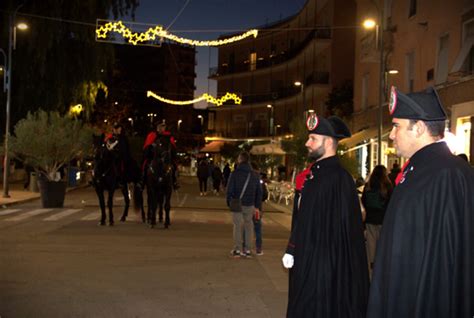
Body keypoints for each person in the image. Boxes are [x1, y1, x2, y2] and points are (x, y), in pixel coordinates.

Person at [367, 86, 474, 318]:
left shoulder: (446, 173)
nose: (392, 135)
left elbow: (444, 258)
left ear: (420, 128)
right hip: (403, 292)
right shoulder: (419, 169)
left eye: (397, 126)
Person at [282, 114, 369, 318]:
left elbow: (346, 235)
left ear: (329, 142)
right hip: (307, 262)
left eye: (313, 139)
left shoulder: (339, 179)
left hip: (324, 270)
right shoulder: (314, 175)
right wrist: (292, 248)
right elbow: (303, 219)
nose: (307, 143)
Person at [226, 152, 262, 258]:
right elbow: (259, 192)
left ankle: (237, 249)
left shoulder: (235, 173)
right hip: (250, 203)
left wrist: (229, 201)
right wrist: (257, 206)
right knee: (249, 226)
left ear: (240, 160)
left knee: (237, 226)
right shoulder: (254, 175)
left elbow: (230, 189)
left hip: (237, 203)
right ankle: (247, 250)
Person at [361, 165, 392, 273]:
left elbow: (364, 200)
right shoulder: (387, 186)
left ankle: (371, 268)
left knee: (371, 246)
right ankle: (381, 268)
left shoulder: (368, 186)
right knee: (382, 245)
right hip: (383, 220)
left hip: (370, 220)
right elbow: (391, 202)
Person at [142, 121, 179, 189]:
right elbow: (146, 147)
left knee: (173, 166)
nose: (162, 128)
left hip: (166, 158)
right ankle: (142, 181)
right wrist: (150, 148)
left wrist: (172, 153)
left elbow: (173, 148)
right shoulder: (152, 135)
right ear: (157, 127)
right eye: (161, 126)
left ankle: (174, 181)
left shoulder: (168, 136)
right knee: (145, 165)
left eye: (163, 126)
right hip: (153, 156)